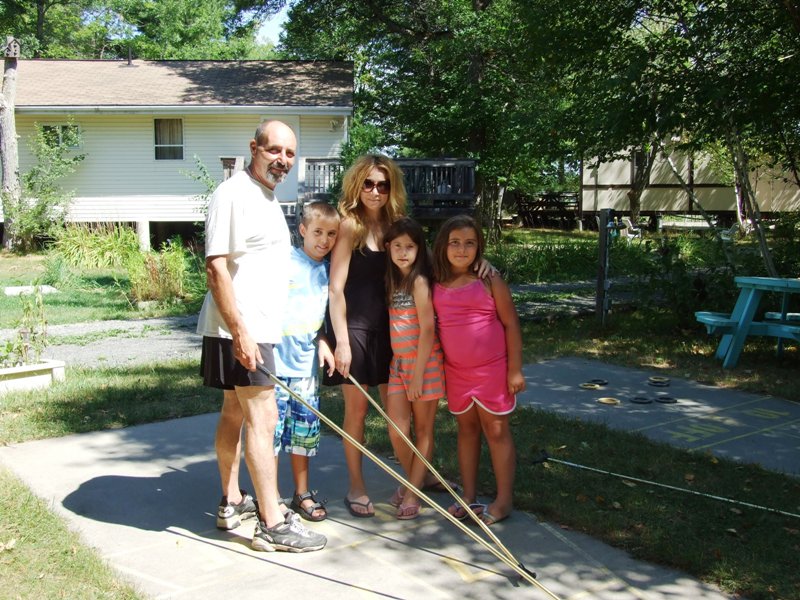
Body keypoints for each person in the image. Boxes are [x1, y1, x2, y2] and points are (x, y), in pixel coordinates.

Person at [197, 119, 326, 552]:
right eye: (275, 151)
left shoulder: (267, 198)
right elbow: (216, 266)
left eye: (290, 154)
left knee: (235, 411)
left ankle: (231, 500)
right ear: (254, 148)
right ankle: (273, 520)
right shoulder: (233, 194)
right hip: (242, 329)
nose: (283, 161)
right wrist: (241, 333)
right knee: (263, 418)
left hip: (253, 328)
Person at [323, 154, 407, 518]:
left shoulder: (397, 226)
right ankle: (356, 486)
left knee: (397, 415)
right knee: (356, 413)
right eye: (369, 184)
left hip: (391, 331)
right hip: (354, 330)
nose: (375, 191)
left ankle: (411, 480)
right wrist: (341, 340)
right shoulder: (349, 226)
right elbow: (335, 289)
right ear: (357, 185)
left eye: (383, 185)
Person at [431, 215, 525, 526]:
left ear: (479, 248)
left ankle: (503, 500)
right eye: (454, 242)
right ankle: (468, 497)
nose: (461, 249)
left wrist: (515, 370)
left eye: (470, 243)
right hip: (457, 374)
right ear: (443, 246)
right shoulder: (435, 282)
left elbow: (511, 324)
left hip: (493, 372)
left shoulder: (490, 280)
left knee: (496, 432)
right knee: (467, 432)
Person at [273, 201, 340, 522]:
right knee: (270, 435)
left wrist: (323, 341)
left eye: (331, 234)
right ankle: (269, 496)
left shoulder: (329, 271)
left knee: (303, 434)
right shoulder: (284, 261)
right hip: (272, 367)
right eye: (317, 232)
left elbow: (317, 317)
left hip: (305, 370)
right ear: (302, 231)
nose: (324, 240)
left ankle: (301, 493)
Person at [383, 217, 445, 520]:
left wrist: (418, 374)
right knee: (396, 430)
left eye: (410, 246)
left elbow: (428, 329)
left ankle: (411, 493)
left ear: (419, 249)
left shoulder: (420, 281)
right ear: (388, 248)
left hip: (425, 364)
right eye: (398, 246)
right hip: (399, 365)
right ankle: (414, 483)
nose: (404, 252)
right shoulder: (393, 278)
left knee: (422, 431)